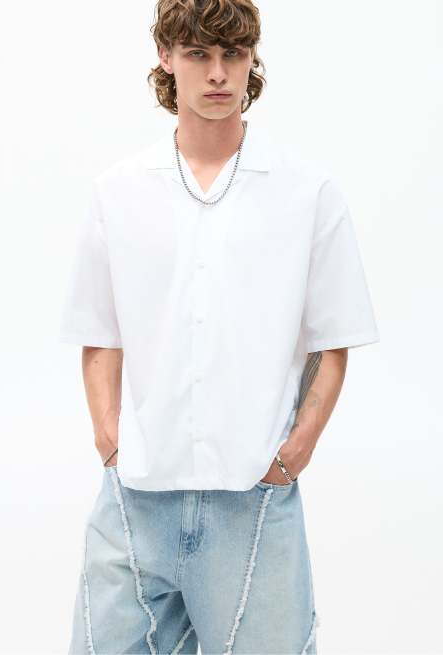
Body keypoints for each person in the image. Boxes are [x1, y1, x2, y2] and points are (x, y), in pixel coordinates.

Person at [59, 1, 380, 653]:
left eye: (232, 55)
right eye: (199, 53)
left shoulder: (307, 192)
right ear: (166, 56)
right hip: (136, 499)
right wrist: (110, 442)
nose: (217, 74)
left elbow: (332, 339)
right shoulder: (118, 191)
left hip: (252, 499)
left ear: (250, 59)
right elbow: (100, 333)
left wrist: (293, 453)